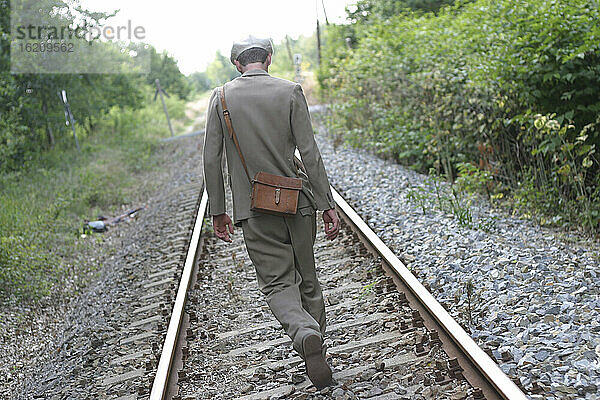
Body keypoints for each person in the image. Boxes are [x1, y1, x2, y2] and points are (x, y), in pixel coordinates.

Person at [202, 35, 340, 390]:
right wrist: (327, 204)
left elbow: (211, 158)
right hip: (300, 202)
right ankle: (316, 341)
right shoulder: (291, 91)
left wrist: (219, 210)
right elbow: (310, 153)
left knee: (278, 283)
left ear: (236, 64)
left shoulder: (220, 98)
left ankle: (304, 333)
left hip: (254, 208)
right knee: (307, 277)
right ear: (269, 58)